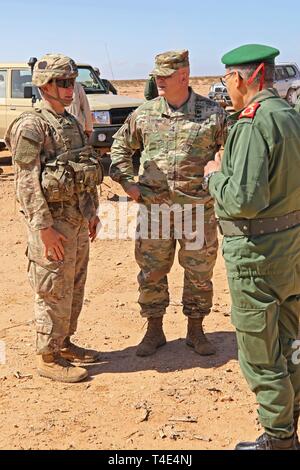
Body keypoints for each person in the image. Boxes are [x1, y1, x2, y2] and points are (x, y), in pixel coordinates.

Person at [204, 44, 300, 450]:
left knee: (261, 351)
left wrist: (214, 175)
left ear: (246, 76)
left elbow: (243, 198)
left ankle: (279, 440)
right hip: (290, 247)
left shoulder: (252, 123)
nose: (227, 87)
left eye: (229, 79)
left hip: (256, 254)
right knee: (292, 340)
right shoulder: (290, 116)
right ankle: (290, 419)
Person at [110, 50, 225, 357]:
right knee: (151, 272)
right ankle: (154, 330)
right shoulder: (145, 114)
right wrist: (127, 182)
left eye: (165, 76)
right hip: (155, 211)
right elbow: (119, 147)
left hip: (197, 212)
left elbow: (230, 151)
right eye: (156, 76)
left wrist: (219, 176)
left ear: (184, 76)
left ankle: (196, 330)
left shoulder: (212, 113)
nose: (159, 81)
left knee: (199, 273)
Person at [5, 54, 103, 383]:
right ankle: (47, 355)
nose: (70, 88)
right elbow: (27, 182)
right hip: (52, 225)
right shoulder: (32, 125)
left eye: (72, 81)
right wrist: (44, 229)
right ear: (45, 86)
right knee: (52, 288)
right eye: (63, 82)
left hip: (75, 220)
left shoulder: (71, 123)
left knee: (73, 285)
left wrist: (91, 214)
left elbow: (82, 170)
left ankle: (64, 343)